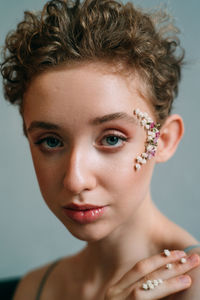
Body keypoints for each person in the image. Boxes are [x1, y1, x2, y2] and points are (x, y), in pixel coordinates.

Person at [1, 0, 200, 299]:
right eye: (51, 141)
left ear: (164, 140)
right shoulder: (28, 288)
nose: (75, 180)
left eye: (111, 138)